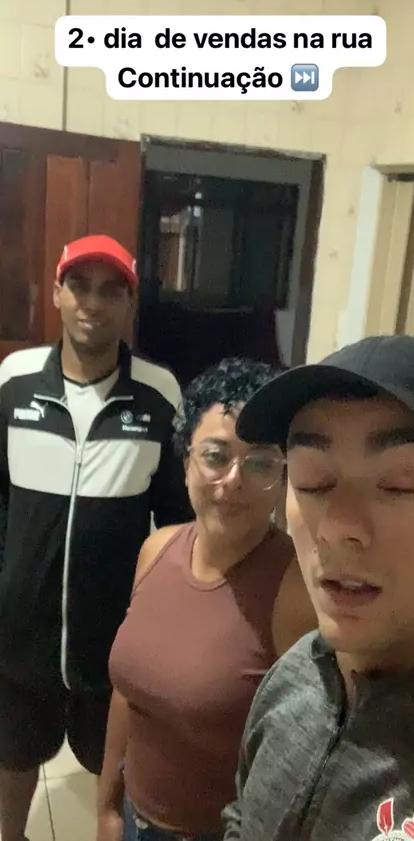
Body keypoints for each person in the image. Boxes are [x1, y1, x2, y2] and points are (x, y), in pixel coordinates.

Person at [224, 334, 414, 840]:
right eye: (312, 481)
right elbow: (243, 816)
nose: (337, 526)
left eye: (399, 484)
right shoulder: (295, 674)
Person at [0, 234, 193, 841]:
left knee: (113, 777)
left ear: (130, 304)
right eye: (79, 286)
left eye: (112, 290)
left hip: (112, 637)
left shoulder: (159, 395)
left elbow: (179, 523)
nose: (92, 302)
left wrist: (164, 622)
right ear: (56, 293)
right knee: (13, 757)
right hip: (18, 632)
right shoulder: (13, 382)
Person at [97, 357, 317, 841]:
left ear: (283, 478)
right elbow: (128, 693)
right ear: (186, 463)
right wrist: (108, 807)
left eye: (260, 463)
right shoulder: (156, 550)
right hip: (133, 817)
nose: (234, 480)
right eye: (216, 456)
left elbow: (307, 759)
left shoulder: (297, 591)